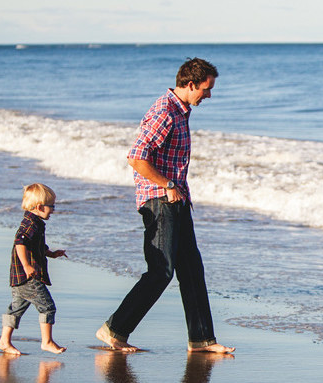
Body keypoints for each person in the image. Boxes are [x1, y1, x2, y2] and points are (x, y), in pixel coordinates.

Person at [96, 57, 234, 354]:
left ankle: (201, 340)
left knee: (192, 269)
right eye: (206, 89)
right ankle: (114, 329)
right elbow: (136, 156)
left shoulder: (180, 111)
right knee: (161, 270)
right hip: (160, 200)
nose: (209, 95)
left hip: (177, 199)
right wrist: (167, 184)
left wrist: (177, 189)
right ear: (190, 84)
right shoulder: (165, 111)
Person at [0, 183, 68, 355]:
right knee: (48, 307)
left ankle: (4, 341)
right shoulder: (31, 223)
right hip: (28, 276)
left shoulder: (34, 221)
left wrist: (51, 253)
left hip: (19, 277)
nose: (53, 210)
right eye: (51, 206)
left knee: (16, 308)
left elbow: (34, 245)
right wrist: (27, 266)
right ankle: (47, 342)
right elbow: (20, 243)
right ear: (39, 207)